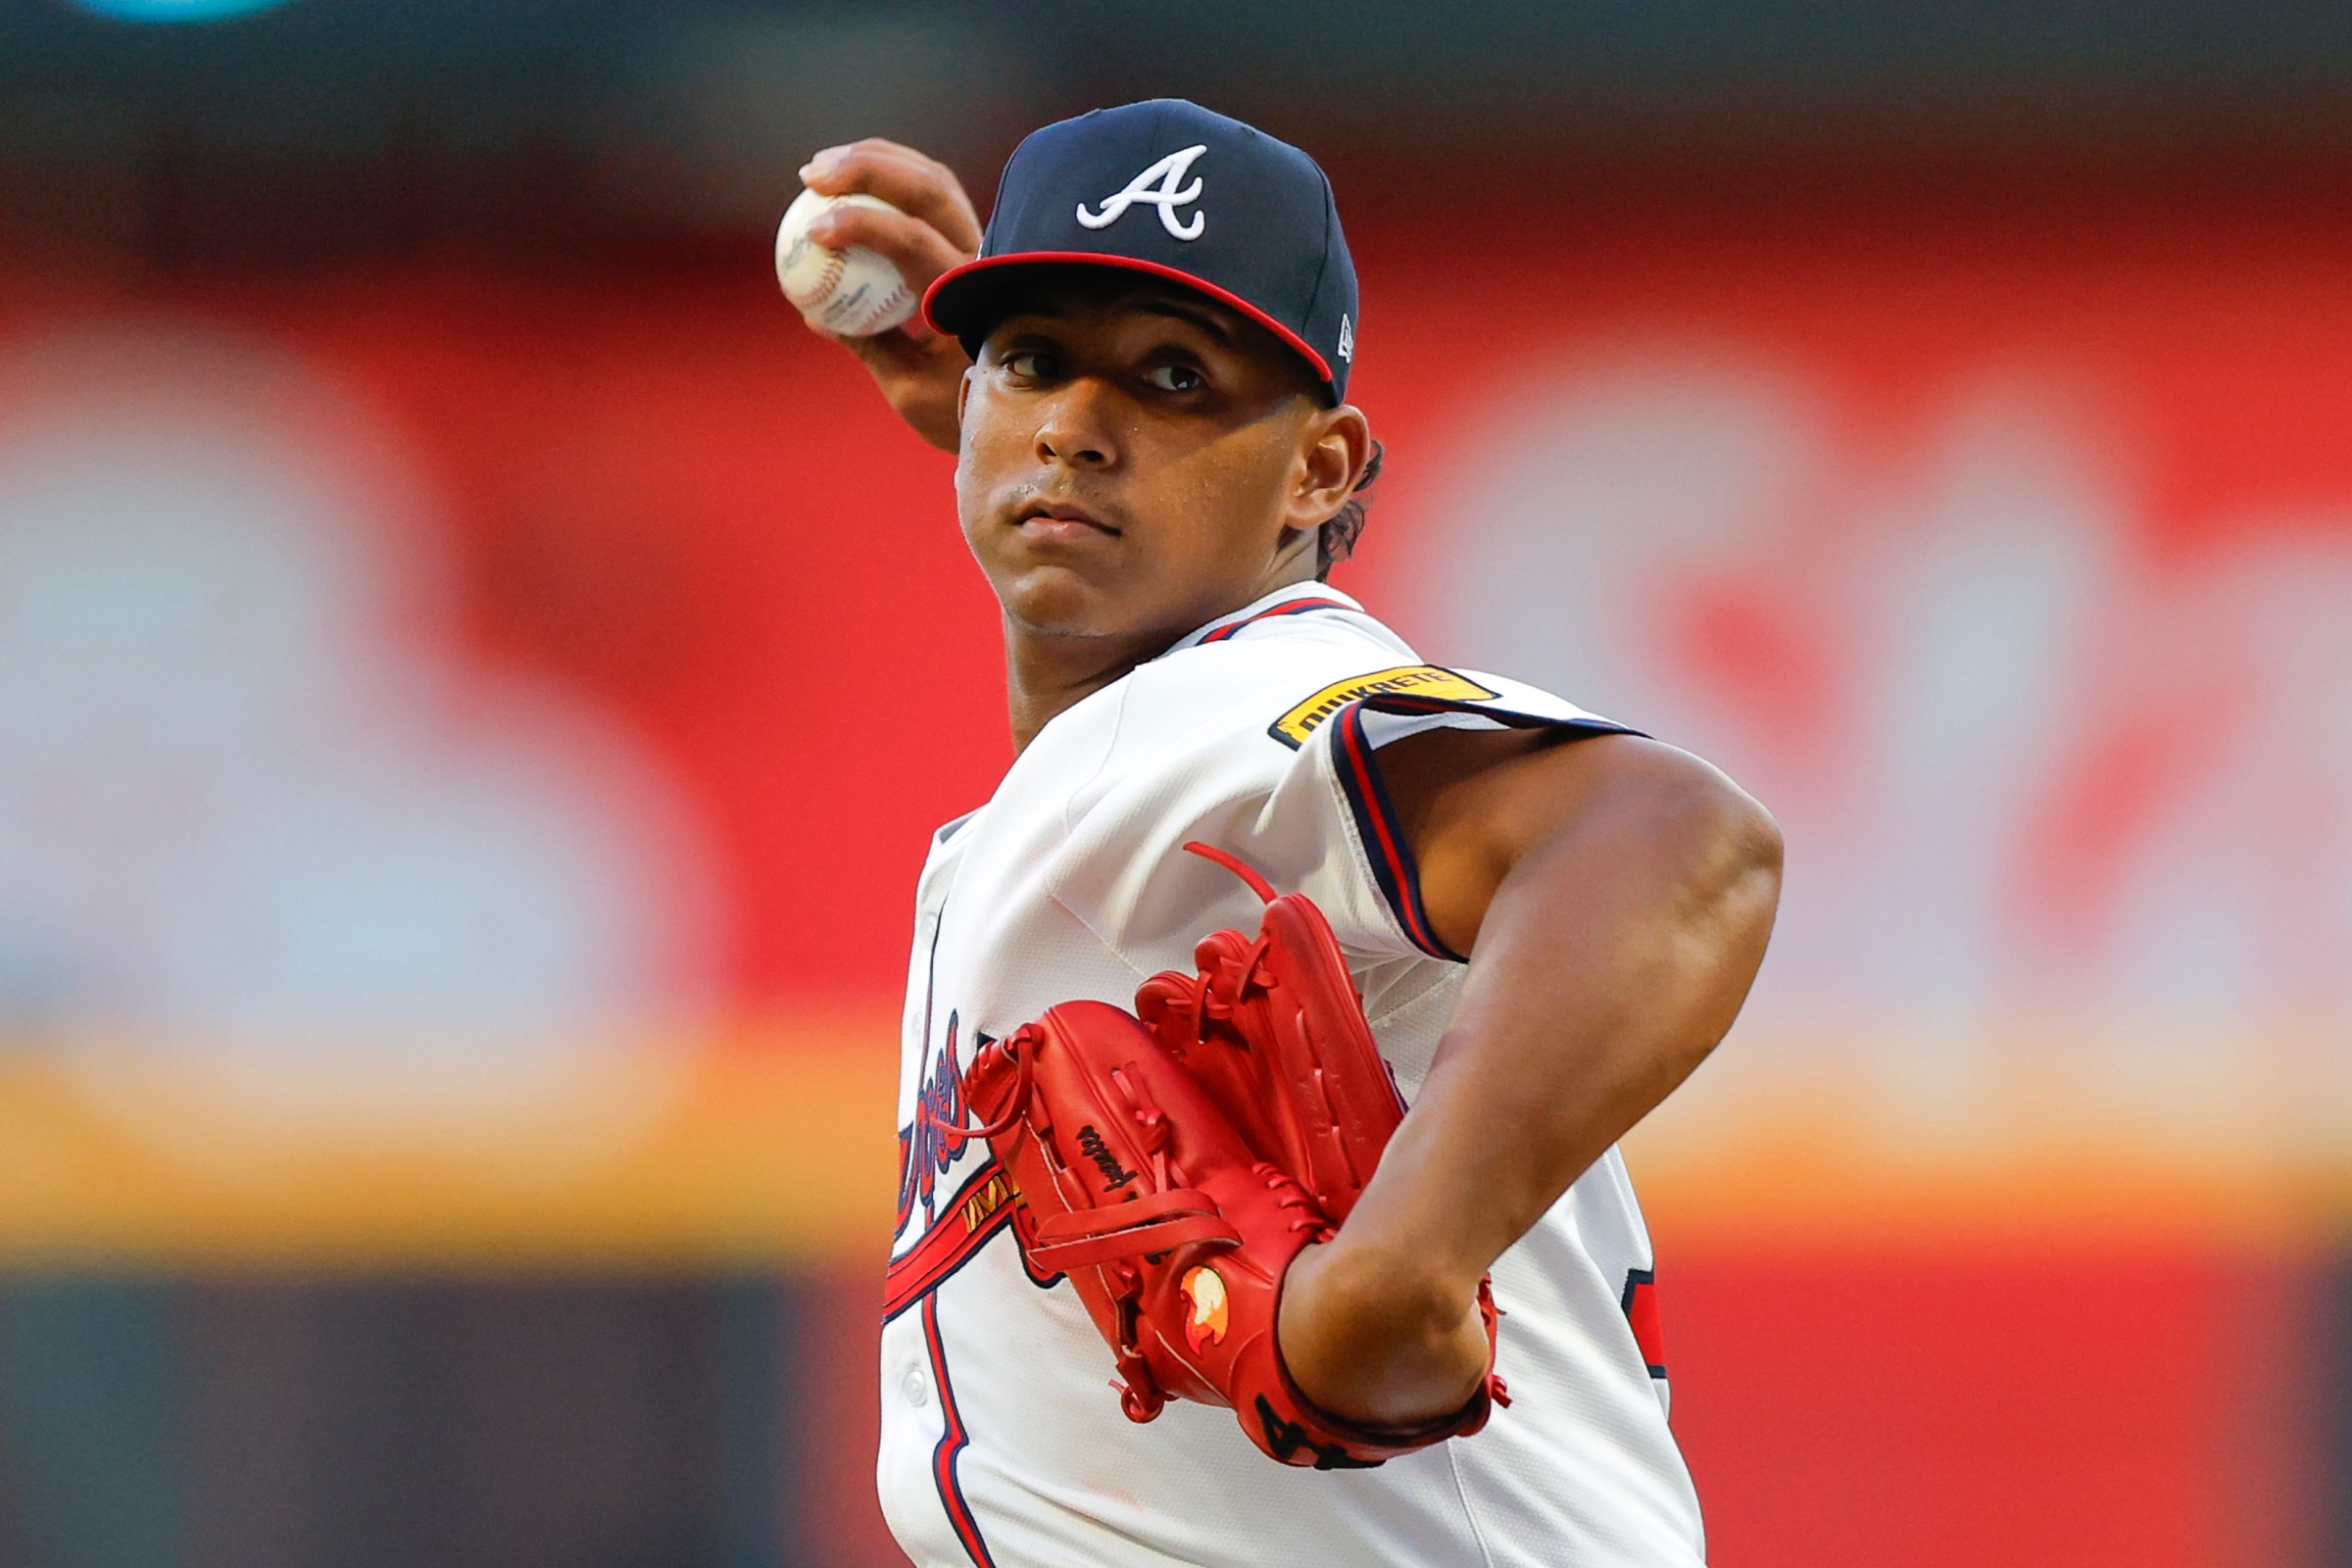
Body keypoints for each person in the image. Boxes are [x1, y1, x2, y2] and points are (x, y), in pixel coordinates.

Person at [798, 99, 1782, 1568]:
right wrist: (1032, 424)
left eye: (1174, 378)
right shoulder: (1124, 746)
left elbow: (1681, 840)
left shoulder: (1251, 700)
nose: (1074, 424)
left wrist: (1395, 1272)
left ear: (1318, 473)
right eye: (1034, 359)